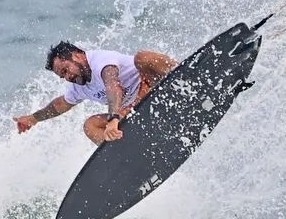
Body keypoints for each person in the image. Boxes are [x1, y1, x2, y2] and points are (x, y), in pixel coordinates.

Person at [13, 41, 179, 145]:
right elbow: (60, 104)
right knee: (91, 125)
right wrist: (33, 118)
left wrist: (113, 119)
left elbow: (113, 85)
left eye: (65, 70)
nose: (67, 77)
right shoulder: (78, 84)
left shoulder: (100, 61)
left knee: (143, 58)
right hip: (136, 111)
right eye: (62, 76)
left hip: (155, 90)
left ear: (77, 56)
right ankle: (128, 156)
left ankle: (185, 80)